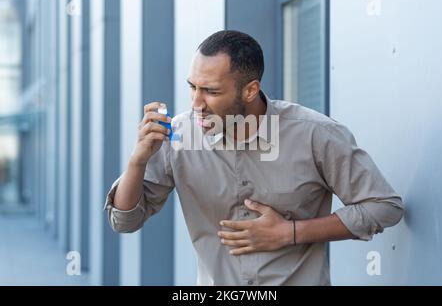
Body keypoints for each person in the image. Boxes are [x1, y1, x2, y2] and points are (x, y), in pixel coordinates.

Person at [104, 30, 404, 285]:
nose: (196, 103)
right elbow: (124, 221)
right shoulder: (177, 136)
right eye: (192, 87)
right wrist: (137, 160)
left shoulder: (315, 134)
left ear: (250, 90)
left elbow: (384, 207)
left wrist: (292, 233)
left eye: (210, 91)